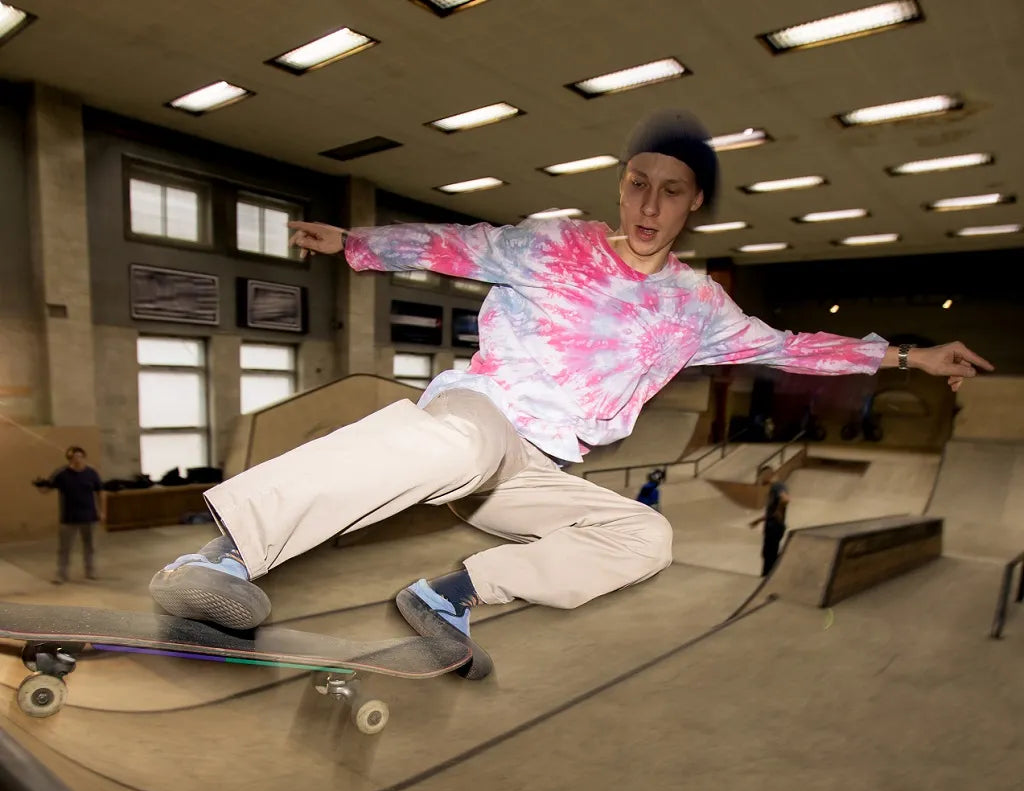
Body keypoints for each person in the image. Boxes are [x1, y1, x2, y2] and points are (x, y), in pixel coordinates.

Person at [147, 109, 993, 678]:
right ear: (621, 184)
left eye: (669, 191)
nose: (648, 204)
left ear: (694, 202)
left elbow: (791, 347)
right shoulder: (559, 247)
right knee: (458, 440)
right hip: (481, 414)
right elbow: (458, 247)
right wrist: (355, 244)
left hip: (535, 469)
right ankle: (219, 558)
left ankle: (451, 593)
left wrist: (909, 358)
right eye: (636, 183)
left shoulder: (699, 307)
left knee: (643, 537)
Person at [33, 446, 103, 584]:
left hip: (89, 516)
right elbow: (47, 489)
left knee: (90, 546)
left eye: (79, 456)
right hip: (69, 518)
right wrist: (40, 486)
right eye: (73, 457)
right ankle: (61, 574)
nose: (77, 459)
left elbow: (100, 492)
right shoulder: (62, 474)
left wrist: (102, 511)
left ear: (83, 457)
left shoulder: (91, 473)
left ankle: (90, 571)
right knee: (64, 548)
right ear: (69, 459)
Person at [750, 466, 789, 577]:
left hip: (775, 527)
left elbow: (785, 499)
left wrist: (779, 511)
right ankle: (768, 576)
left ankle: (767, 577)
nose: (760, 481)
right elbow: (771, 512)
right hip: (772, 526)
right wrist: (759, 520)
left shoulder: (777, 486)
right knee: (768, 554)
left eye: (761, 478)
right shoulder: (773, 488)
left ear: (767, 475)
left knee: (770, 555)